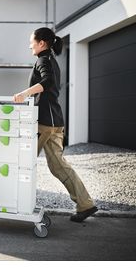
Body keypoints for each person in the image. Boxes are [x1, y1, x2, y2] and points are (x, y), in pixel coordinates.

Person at [12, 27, 98, 222]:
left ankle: (11, 203)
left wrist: (25, 93)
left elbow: (48, 81)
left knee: (20, 160)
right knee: (58, 166)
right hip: (54, 121)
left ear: (41, 43)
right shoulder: (50, 60)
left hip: (44, 124)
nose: (30, 46)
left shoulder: (43, 60)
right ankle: (86, 204)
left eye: (32, 42)